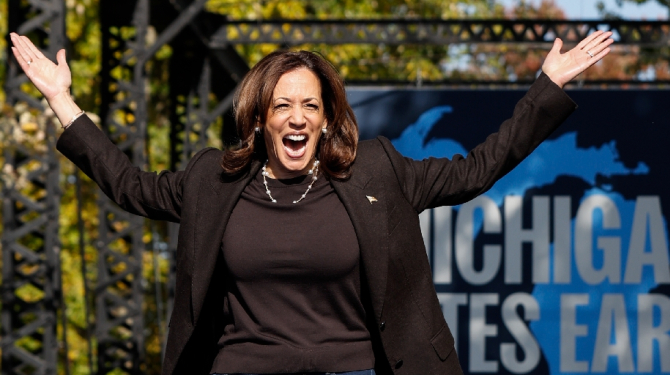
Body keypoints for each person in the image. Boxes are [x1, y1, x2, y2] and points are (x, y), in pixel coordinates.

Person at [10, 30, 613, 375]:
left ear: (326, 121)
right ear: (261, 119)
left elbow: (479, 168)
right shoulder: (213, 181)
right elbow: (131, 186)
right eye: (281, 106)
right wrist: (63, 102)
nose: (296, 118)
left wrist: (546, 88)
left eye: (310, 106)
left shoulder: (377, 171)